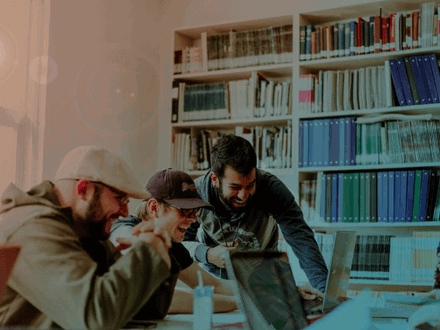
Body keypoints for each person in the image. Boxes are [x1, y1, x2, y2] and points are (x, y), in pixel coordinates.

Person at [0, 146, 178, 330]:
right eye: (120, 199)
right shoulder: (34, 228)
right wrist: (147, 252)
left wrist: (157, 250)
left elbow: (147, 310)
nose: (125, 213)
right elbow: (95, 319)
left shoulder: (85, 231)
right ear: (84, 189)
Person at [183, 134, 329, 294]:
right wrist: (208, 254)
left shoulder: (272, 190)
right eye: (235, 187)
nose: (243, 195)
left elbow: (302, 240)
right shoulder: (197, 193)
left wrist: (323, 292)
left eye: (250, 185)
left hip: (264, 284)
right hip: (217, 285)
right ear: (215, 180)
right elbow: (181, 244)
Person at [110, 168, 238, 314]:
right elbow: (160, 298)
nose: (193, 219)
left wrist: (259, 292)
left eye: (195, 211)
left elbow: (214, 285)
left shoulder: (171, 244)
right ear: (154, 208)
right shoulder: (124, 229)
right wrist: (239, 303)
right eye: (184, 211)